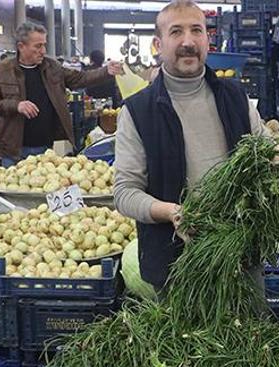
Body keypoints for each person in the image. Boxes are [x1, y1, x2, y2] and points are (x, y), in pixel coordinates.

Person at [113, 0, 266, 292]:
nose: (188, 41)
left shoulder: (235, 97)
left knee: (253, 334)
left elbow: (264, 149)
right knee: (185, 338)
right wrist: (172, 212)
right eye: (176, 32)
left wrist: (278, 159)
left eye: (196, 30)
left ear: (208, 39)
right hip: (175, 266)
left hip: (241, 256)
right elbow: (124, 193)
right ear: (158, 44)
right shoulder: (138, 111)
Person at [0, 22, 123, 167]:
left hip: (44, 147)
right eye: (38, 46)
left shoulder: (52, 67)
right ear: (21, 47)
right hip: (12, 150)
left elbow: (80, 78)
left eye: (44, 45)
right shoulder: (0, 70)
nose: (43, 51)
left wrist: (106, 71)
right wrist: (16, 106)